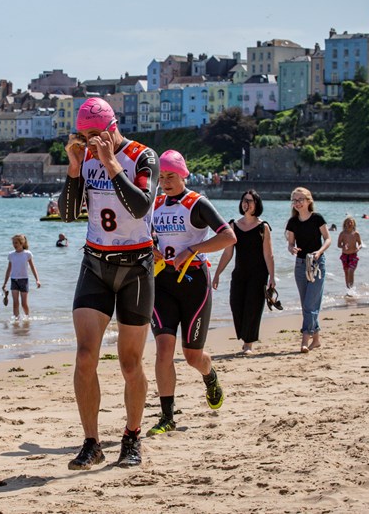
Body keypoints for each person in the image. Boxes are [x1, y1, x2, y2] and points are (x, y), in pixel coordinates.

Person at [58, 96, 159, 469]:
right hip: (96, 263)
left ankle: (132, 438)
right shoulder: (84, 158)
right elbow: (68, 214)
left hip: (136, 266)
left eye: (96, 135)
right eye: (83, 137)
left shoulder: (142, 156)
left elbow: (140, 207)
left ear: (112, 128)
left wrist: (111, 163)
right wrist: (73, 165)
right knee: (85, 357)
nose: (90, 143)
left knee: (130, 364)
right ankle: (91, 442)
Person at [148, 150, 236, 437]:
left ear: (183, 174)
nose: (166, 182)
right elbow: (142, 235)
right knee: (163, 350)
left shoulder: (197, 203)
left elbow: (228, 237)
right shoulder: (155, 203)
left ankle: (209, 376)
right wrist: (152, 247)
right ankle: (167, 416)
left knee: (191, 355)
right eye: (161, 178)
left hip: (194, 283)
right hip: (162, 283)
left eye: (171, 176)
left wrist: (194, 249)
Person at [213, 189, 275, 356]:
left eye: (250, 201)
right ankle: (245, 336)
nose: (246, 203)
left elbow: (268, 254)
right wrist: (217, 273)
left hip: (258, 274)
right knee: (236, 305)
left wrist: (272, 277)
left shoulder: (263, 227)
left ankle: (248, 343)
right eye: (244, 200)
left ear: (257, 205)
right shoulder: (233, 225)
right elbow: (227, 253)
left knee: (253, 308)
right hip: (239, 273)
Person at [285, 187, 331, 354]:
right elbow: (290, 243)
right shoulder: (293, 222)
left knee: (310, 304)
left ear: (308, 201)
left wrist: (319, 252)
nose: (297, 203)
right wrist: (292, 249)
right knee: (307, 304)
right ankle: (316, 339)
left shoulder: (317, 218)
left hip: (317, 263)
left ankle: (305, 339)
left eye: (300, 200)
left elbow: (327, 239)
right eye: (294, 200)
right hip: (300, 264)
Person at [2, 234, 41, 319]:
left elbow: (33, 267)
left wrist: (37, 280)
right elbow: (8, 270)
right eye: (13, 243)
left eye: (16, 243)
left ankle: (27, 318)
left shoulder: (27, 254)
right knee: (15, 302)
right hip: (14, 280)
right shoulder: (11, 255)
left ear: (22, 243)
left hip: (24, 280)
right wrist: (4, 283)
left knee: (24, 303)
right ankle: (16, 319)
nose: (14, 245)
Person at [337, 217, 362, 290]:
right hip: (344, 256)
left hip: (353, 255)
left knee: (351, 271)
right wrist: (343, 246)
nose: (349, 224)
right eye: (348, 222)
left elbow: (360, 244)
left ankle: (351, 289)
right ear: (345, 224)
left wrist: (358, 248)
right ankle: (348, 289)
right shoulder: (342, 234)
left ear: (354, 224)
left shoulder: (356, 234)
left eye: (351, 222)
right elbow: (338, 244)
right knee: (346, 272)